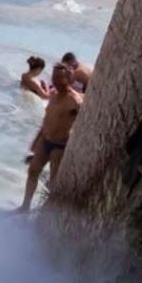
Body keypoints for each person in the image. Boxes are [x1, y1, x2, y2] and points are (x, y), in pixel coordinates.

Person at [21, 63, 83, 211]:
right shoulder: (53, 95)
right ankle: (25, 206)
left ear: (68, 79)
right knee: (33, 171)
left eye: (59, 78)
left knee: (53, 182)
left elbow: (83, 122)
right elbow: (46, 120)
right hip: (44, 140)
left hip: (59, 146)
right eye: (54, 77)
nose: (55, 80)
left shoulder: (75, 101)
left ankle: (49, 212)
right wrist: (35, 143)